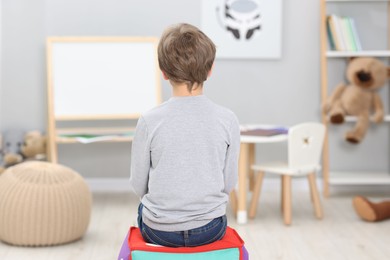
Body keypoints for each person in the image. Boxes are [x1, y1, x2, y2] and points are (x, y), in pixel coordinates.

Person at [129, 23, 241, 247]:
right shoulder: (228, 119)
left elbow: (138, 185)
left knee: (145, 208)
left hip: (159, 230)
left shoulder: (149, 121)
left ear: (163, 71)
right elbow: (229, 183)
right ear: (210, 70)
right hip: (210, 228)